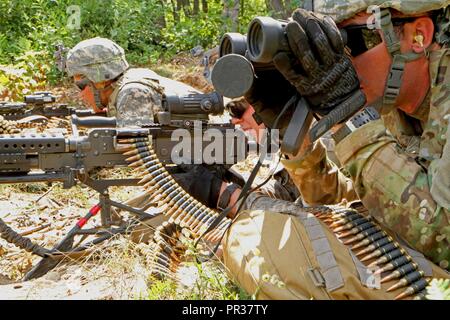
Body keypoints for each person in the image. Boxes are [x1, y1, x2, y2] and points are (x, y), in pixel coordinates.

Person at [213, 0, 450, 299]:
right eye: (323, 49)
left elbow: (443, 239)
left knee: (273, 253)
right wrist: (296, 140)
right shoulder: (392, 99)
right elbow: (364, 204)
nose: (338, 64)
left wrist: (347, 115)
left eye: (346, 43)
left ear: (419, 36)